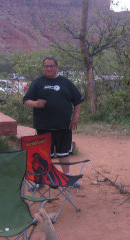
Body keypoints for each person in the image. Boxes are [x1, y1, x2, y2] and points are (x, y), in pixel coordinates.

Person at [23, 57, 84, 188]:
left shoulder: (66, 82)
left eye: (51, 66)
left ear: (56, 67)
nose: (49, 68)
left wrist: (75, 117)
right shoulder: (38, 83)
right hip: (43, 127)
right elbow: (26, 100)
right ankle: (42, 181)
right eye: (46, 66)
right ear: (43, 67)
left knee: (64, 153)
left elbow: (78, 101)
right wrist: (36, 104)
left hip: (64, 126)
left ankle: (66, 179)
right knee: (43, 157)